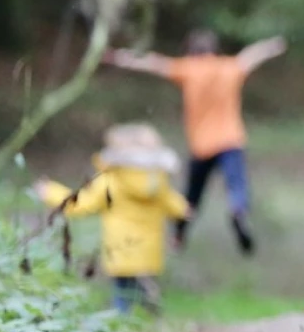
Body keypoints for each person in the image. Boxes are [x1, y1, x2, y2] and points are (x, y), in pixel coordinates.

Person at [102, 29, 287, 254]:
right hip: (231, 140)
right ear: (213, 50)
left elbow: (153, 63)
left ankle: (179, 235)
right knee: (237, 185)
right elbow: (251, 56)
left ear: (191, 52)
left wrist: (119, 57)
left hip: (202, 146)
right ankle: (238, 212)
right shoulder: (229, 67)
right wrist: (272, 45)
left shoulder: (189, 69)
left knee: (192, 195)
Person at [33, 123, 192, 314]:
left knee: (122, 294)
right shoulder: (157, 181)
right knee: (140, 290)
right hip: (149, 251)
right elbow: (175, 205)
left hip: (121, 249)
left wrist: (50, 192)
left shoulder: (111, 180)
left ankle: (124, 322)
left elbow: (80, 203)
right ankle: (146, 315)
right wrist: (185, 209)